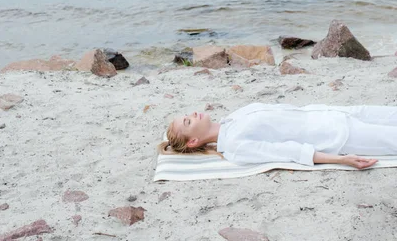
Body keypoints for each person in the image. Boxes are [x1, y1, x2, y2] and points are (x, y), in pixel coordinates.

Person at [159, 103, 397, 169]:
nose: (193, 114)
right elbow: (289, 152)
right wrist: (342, 160)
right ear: (193, 141)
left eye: (188, 114)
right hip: (339, 134)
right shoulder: (235, 146)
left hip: (336, 112)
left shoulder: (232, 118)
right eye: (188, 121)